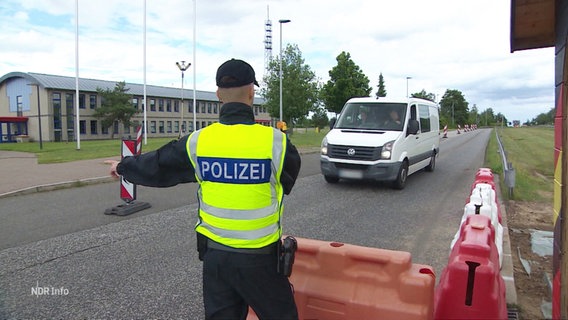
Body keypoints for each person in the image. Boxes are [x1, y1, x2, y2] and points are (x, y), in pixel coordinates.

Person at [105, 58, 301, 320]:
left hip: (216, 259)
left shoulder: (198, 142)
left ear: (219, 95)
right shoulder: (278, 142)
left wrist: (123, 167)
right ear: (252, 92)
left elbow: (159, 166)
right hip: (261, 260)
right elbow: (288, 181)